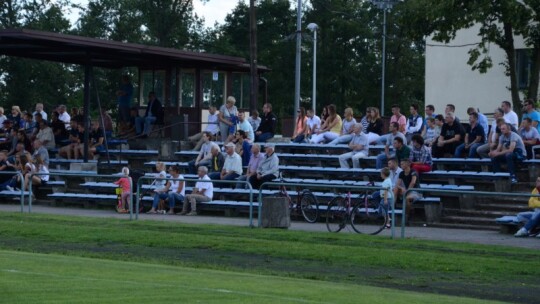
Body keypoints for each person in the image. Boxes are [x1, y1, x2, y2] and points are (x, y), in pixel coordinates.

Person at [395, 158, 422, 223]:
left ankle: (406, 216)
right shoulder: (401, 173)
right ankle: (392, 209)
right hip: (407, 191)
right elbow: (397, 184)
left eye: (402, 164)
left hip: (415, 191)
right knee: (395, 190)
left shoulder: (413, 172)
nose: (401, 165)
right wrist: (401, 188)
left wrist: (407, 191)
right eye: (400, 164)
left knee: (408, 199)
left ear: (408, 164)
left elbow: (413, 182)